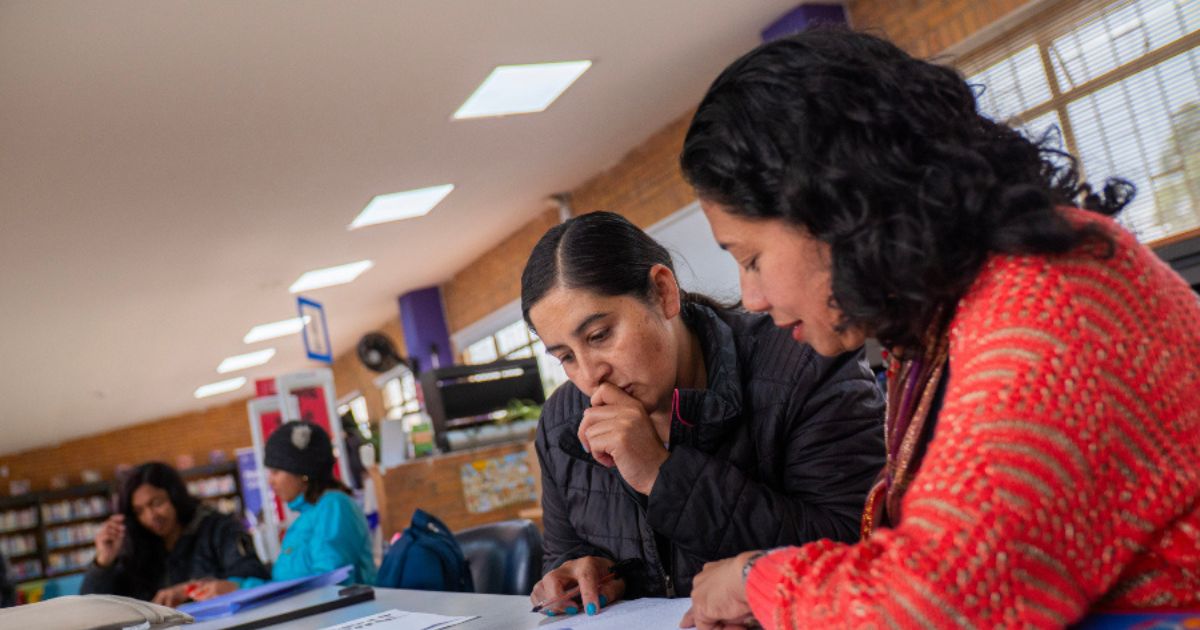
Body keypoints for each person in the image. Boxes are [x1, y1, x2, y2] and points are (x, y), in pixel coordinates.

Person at [676, 27, 1200, 629]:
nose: (752, 297)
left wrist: (758, 579)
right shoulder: (950, 312)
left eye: (750, 258)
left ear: (837, 209)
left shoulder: (1047, 307)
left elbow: (937, 603)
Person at [522, 211, 885, 617]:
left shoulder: (806, 364)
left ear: (663, 292)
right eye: (566, 357)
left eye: (599, 335)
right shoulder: (561, 421)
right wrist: (579, 574)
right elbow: (565, 553)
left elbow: (856, 547)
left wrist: (662, 474)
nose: (590, 376)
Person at [190, 421, 376, 600]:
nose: (271, 481)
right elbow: (288, 585)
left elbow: (329, 585)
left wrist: (241, 588)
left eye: (276, 472)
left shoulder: (333, 506)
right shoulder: (309, 515)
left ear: (303, 472)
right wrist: (237, 587)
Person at [80, 462, 269, 606]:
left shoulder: (218, 528)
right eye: (139, 511)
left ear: (175, 497)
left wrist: (190, 590)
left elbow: (252, 575)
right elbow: (93, 608)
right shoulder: (134, 547)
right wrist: (103, 562)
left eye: (156, 503)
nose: (151, 516)